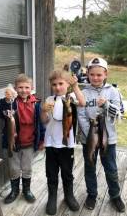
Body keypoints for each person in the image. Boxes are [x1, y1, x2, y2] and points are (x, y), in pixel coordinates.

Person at [77, 57, 125, 212]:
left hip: (108, 139)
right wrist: (91, 134)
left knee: (110, 167)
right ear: (88, 75)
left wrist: (106, 105)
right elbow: (81, 114)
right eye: (92, 75)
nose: (95, 78)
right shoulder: (83, 92)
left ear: (106, 74)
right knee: (90, 167)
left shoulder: (113, 91)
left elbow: (118, 114)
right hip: (89, 139)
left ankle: (115, 195)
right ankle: (92, 194)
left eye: (99, 75)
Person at [40, 69, 86, 215]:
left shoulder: (71, 97)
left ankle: (69, 196)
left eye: (61, 83)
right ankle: (52, 198)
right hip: (51, 144)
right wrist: (42, 111)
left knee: (67, 172)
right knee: (51, 173)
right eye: (54, 84)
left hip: (67, 144)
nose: (58, 87)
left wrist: (76, 86)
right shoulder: (48, 100)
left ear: (67, 84)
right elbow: (45, 121)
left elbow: (83, 103)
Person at [0, 74, 45, 204]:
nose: (23, 90)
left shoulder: (36, 103)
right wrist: (7, 101)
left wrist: (42, 140)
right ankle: (14, 191)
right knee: (14, 168)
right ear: (15, 88)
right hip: (13, 143)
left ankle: (26, 190)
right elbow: (1, 112)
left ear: (32, 88)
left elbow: (40, 123)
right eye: (20, 87)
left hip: (29, 143)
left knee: (27, 168)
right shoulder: (11, 102)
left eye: (27, 87)